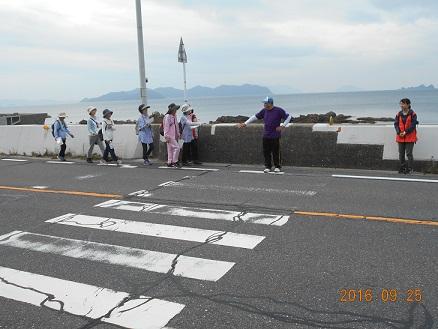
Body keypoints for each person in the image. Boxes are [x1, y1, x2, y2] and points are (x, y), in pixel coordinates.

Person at [239, 96, 292, 173]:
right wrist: (245, 123)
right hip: (266, 134)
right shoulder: (264, 111)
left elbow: (288, 117)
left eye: (266, 103)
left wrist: (283, 126)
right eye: (264, 103)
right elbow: (255, 117)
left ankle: (277, 166)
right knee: (266, 151)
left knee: (276, 151)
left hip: (275, 135)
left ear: (270, 103)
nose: (264, 104)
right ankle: (268, 166)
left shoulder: (278, 110)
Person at [394, 98, 418, 174]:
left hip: (410, 137)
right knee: (401, 153)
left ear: (408, 104)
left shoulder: (413, 114)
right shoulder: (399, 114)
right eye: (400, 104)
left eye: (403, 104)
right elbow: (396, 124)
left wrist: (405, 132)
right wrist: (398, 132)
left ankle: (410, 168)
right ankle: (403, 167)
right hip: (400, 136)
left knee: (409, 153)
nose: (401, 105)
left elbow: (413, 125)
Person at [163, 103, 181, 168]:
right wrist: (166, 136)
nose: (176, 110)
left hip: (174, 135)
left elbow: (176, 125)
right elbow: (166, 127)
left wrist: (178, 133)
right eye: (175, 109)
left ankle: (169, 162)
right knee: (177, 147)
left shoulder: (174, 116)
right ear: (172, 109)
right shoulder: (168, 116)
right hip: (169, 136)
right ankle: (175, 161)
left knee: (170, 149)